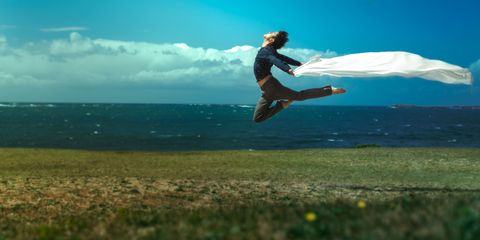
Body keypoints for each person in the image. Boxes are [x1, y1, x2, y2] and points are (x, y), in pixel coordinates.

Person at [252, 31, 346, 123]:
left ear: (271, 40)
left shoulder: (266, 52)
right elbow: (283, 58)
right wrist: (298, 63)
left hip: (271, 87)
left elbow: (276, 60)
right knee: (258, 118)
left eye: (272, 33)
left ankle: (329, 90)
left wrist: (287, 69)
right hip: (266, 90)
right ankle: (281, 105)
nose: (270, 31)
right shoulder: (268, 50)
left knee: (299, 96)